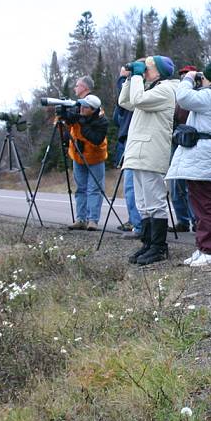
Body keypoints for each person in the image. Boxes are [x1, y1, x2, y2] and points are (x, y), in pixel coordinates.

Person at [165, 62, 211, 266]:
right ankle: (203, 247)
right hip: (209, 152)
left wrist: (188, 78)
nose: (202, 81)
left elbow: (183, 97)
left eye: (204, 78)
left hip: (204, 152)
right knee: (202, 202)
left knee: (205, 204)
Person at [118, 55, 178, 265]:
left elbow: (137, 100)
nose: (144, 70)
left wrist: (136, 75)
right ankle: (148, 244)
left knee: (155, 202)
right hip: (139, 151)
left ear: (159, 71)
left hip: (151, 152)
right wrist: (129, 79)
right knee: (143, 203)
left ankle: (159, 247)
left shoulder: (166, 90)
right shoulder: (151, 89)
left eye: (148, 67)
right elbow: (125, 101)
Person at [65, 94, 109, 231]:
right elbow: (67, 124)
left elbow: (96, 139)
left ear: (93, 109)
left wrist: (83, 125)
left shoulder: (102, 121)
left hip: (95, 159)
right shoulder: (78, 114)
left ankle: (93, 220)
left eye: (85, 107)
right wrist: (65, 116)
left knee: (94, 189)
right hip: (78, 156)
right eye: (81, 105)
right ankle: (80, 219)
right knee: (80, 189)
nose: (82, 108)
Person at [168, 65, 198, 233]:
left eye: (186, 75)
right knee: (175, 184)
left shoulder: (196, 96)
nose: (183, 77)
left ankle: (195, 219)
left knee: (189, 184)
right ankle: (182, 220)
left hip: (192, 140)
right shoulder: (177, 97)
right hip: (176, 139)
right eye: (182, 75)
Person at [113, 68, 142, 239]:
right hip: (128, 139)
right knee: (130, 187)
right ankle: (137, 222)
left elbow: (127, 97)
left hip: (137, 141)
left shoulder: (146, 91)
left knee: (133, 187)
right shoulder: (136, 90)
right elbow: (122, 100)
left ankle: (140, 226)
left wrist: (125, 77)